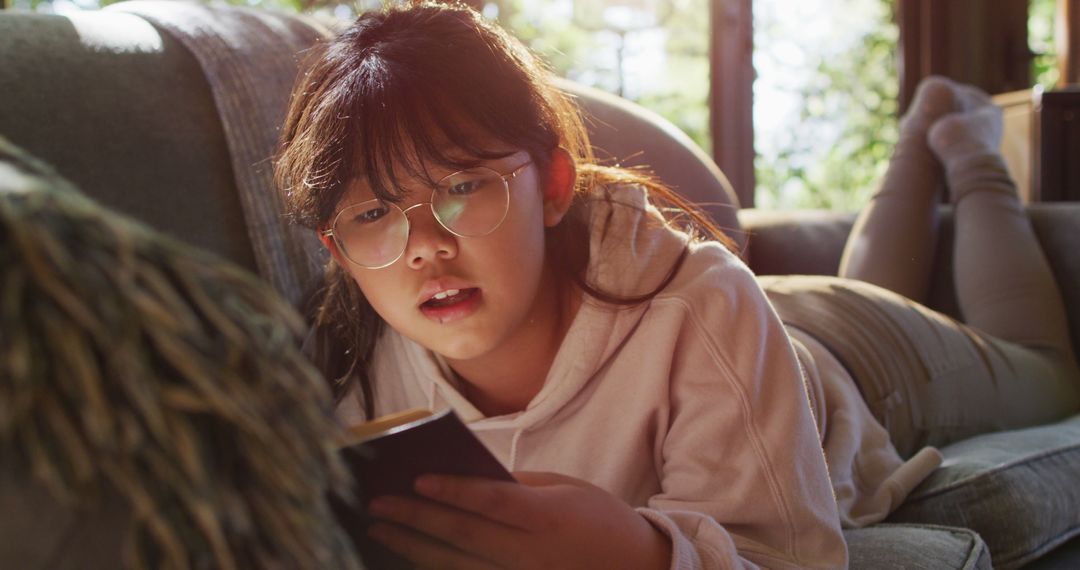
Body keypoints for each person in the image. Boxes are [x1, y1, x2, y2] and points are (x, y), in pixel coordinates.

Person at [274, 3, 1080, 568]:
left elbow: (789, 557)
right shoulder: (365, 368)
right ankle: (926, 126)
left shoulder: (699, 304)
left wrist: (635, 552)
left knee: (1047, 366)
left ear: (554, 184)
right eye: (376, 212)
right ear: (338, 250)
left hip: (855, 363)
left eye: (461, 187)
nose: (421, 246)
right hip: (753, 332)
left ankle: (969, 150)